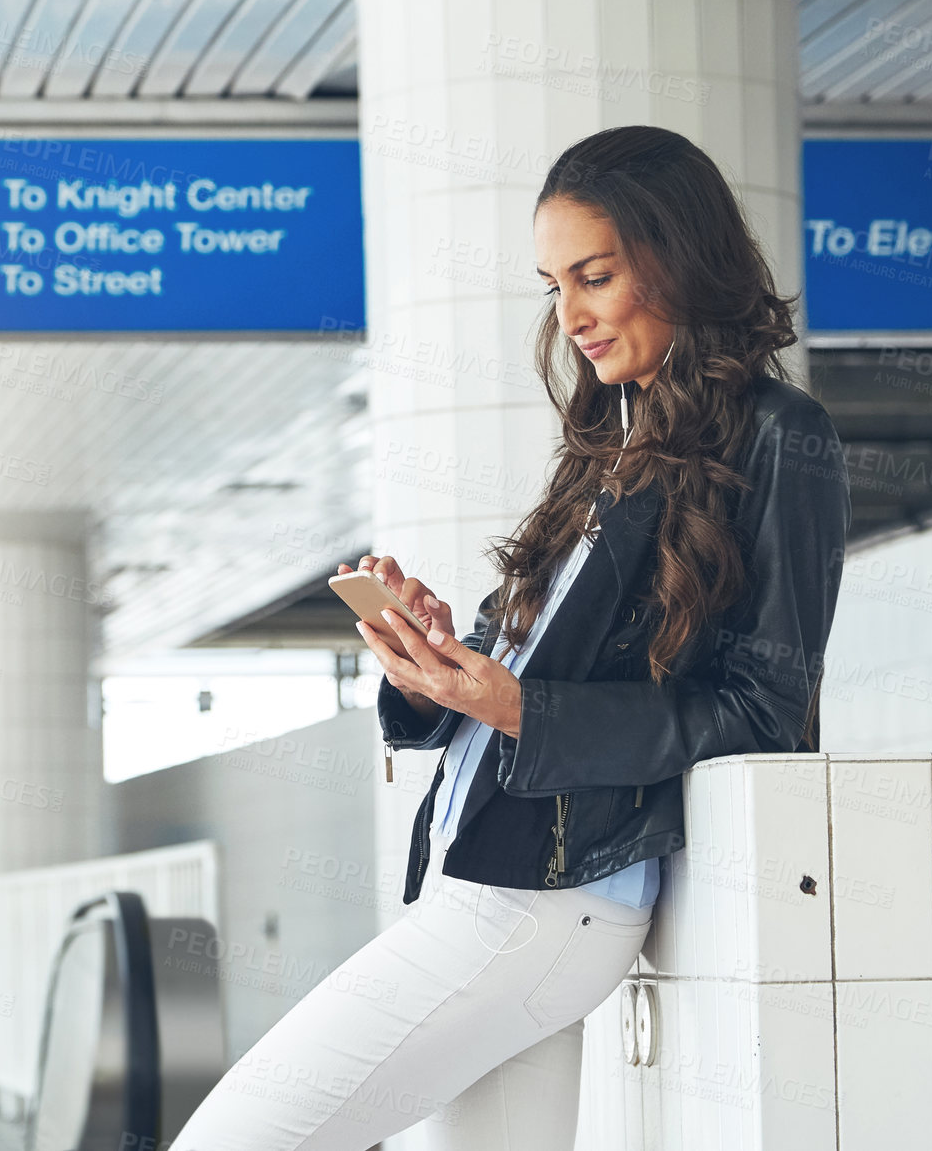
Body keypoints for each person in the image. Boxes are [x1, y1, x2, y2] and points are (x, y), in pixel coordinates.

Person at [167, 124, 851, 1151]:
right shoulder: (605, 441)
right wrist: (432, 659)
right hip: (482, 880)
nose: (570, 314)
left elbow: (765, 707)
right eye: (552, 284)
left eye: (595, 275)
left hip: (543, 905)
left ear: (676, 255)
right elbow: (499, 671)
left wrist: (521, 706)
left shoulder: (778, 435)